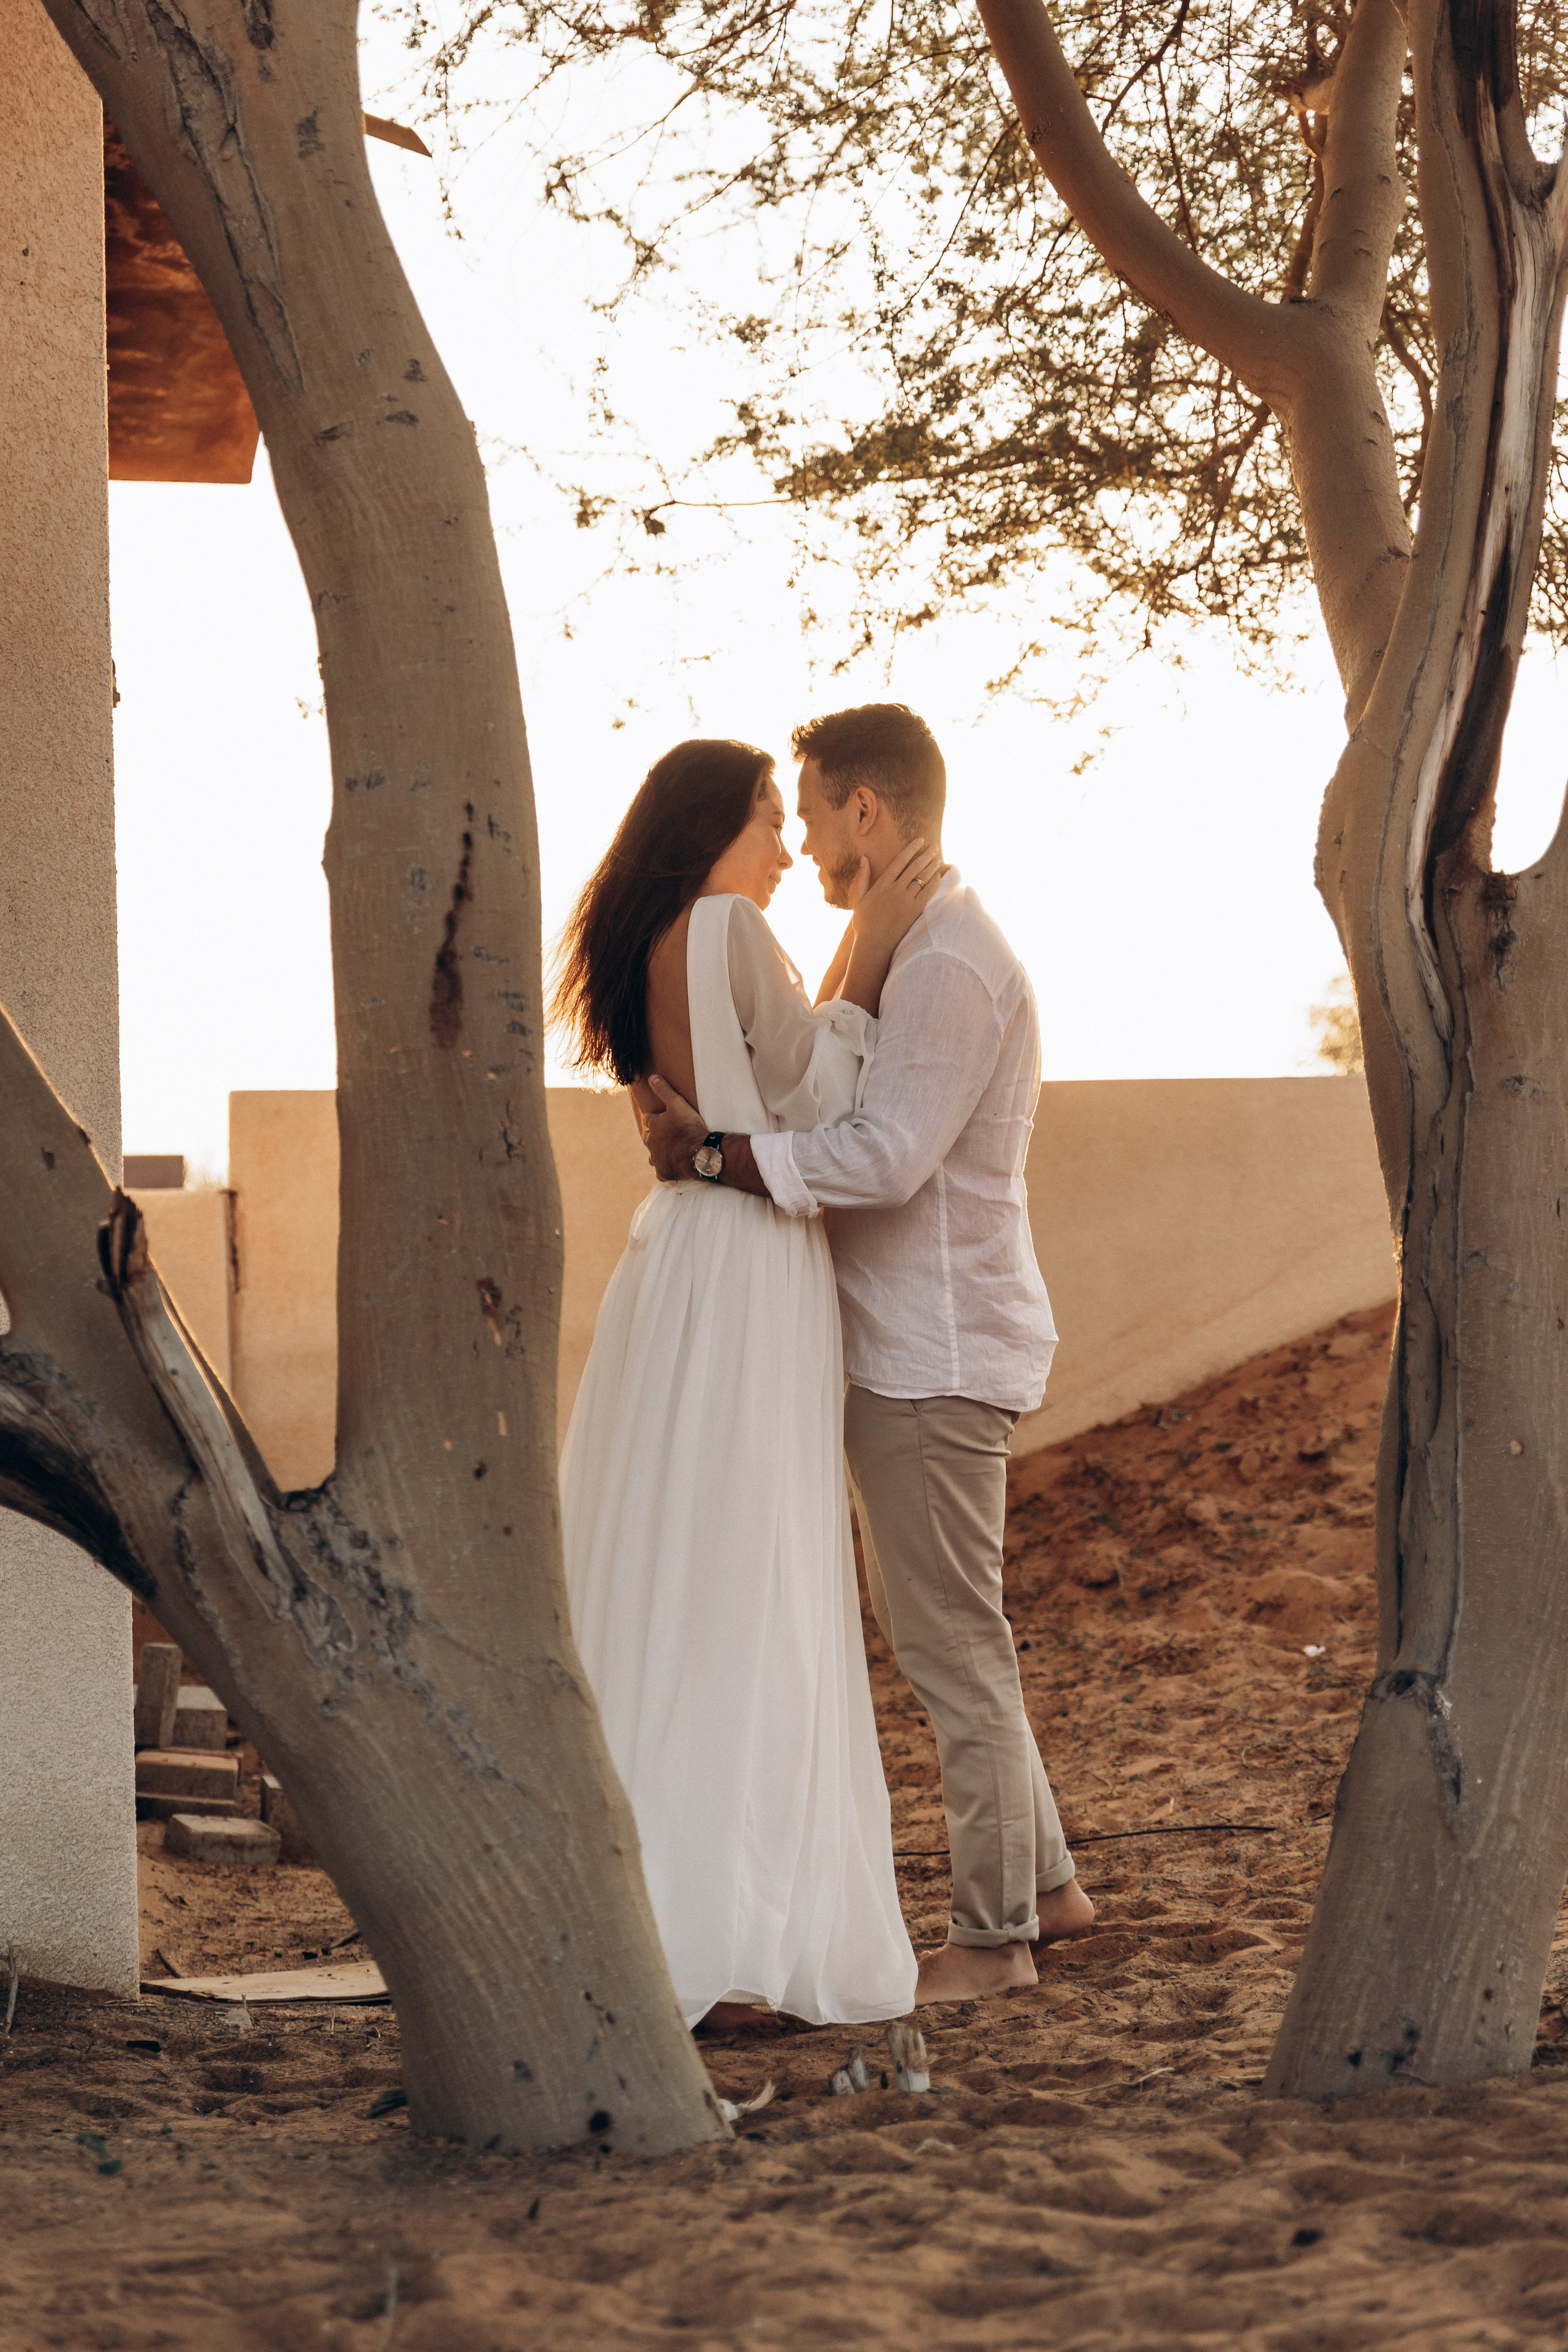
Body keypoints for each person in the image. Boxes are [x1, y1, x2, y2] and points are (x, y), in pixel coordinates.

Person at [643, 703, 1095, 2005]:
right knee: (947, 1633)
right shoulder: (910, 945)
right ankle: (1050, 1889)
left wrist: (723, 1162)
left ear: (865, 813)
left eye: (811, 811)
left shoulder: (948, 960)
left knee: (954, 1649)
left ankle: (993, 1938)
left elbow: (885, 1158)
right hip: (911, 1346)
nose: (805, 850)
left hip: (933, 1354)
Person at [553, 735, 941, 2029]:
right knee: (747, 1568)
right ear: (712, 825)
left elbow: (756, 1090)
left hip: (686, 1252)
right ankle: (719, 1932)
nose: (785, 846)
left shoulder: (658, 934)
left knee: (682, 1558)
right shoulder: (723, 923)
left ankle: (658, 1902)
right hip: (746, 1259)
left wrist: (831, 979)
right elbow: (820, 1093)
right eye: (769, 818)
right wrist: (869, 959)